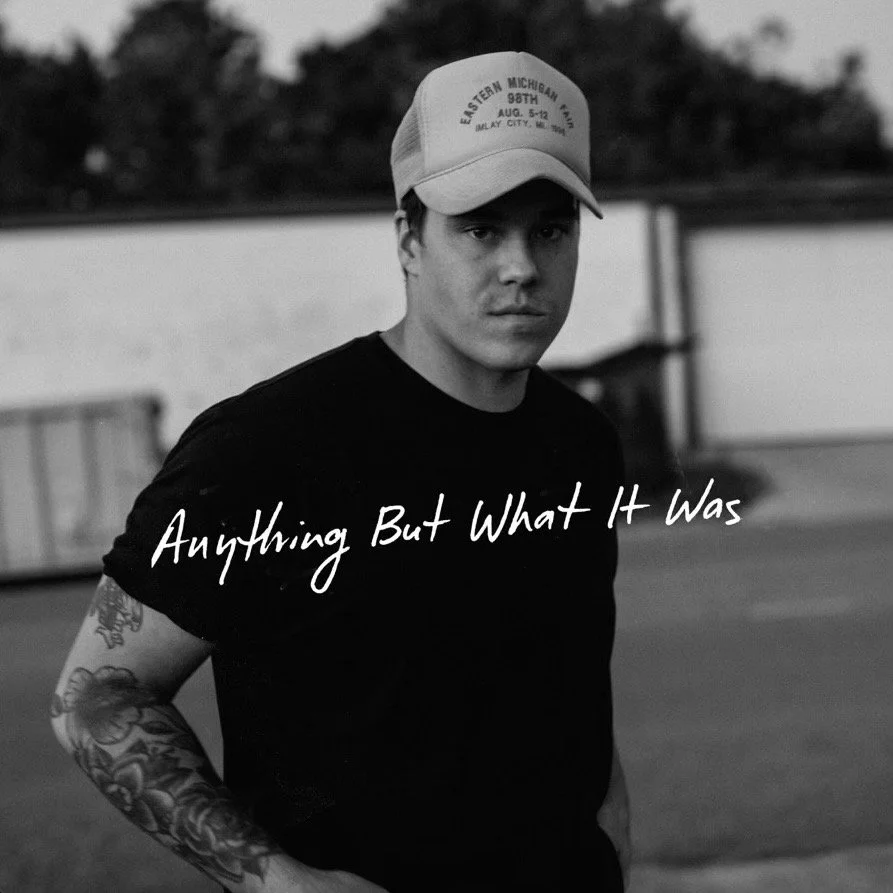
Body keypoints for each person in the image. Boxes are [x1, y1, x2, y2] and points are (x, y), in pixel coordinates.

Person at [50, 50, 631, 892]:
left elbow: (569, 686)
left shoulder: (582, 442)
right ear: (408, 240)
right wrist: (277, 879)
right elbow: (98, 696)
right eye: (479, 229)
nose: (521, 267)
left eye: (550, 228)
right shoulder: (266, 448)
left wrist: (609, 838)